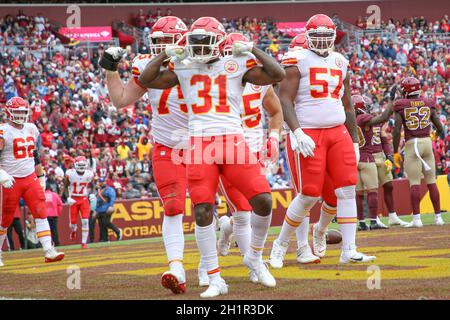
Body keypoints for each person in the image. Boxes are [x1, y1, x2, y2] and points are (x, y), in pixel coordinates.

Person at [138, 16, 285, 298]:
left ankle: (254, 256)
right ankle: (215, 278)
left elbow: (277, 74)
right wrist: (165, 54)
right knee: (203, 210)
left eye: (206, 42)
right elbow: (147, 80)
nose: (201, 48)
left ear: (219, 42)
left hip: (232, 141)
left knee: (263, 199)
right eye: (196, 42)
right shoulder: (183, 65)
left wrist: (252, 49)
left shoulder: (235, 64)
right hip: (198, 143)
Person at [269, 14, 375, 269]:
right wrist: (297, 132)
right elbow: (285, 100)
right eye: (316, 37)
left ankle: (349, 250)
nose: (322, 42)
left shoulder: (341, 61)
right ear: (307, 37)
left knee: (347, 188)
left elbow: (348, 105)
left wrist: (353, 141)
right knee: (308, 194)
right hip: (310, 131)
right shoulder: (297, 59)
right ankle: (280, 245)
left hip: (337, 130)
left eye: (326, 37)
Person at [99, 16, 190, 295]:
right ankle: (177, 267)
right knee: (173, 207)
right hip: (167, 146)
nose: (163, 46)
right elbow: (122, 100)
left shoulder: (199, 61)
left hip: (206, 143)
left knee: (211, 208)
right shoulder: (144, 65)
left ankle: (224, 263)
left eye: (167, 41)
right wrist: (110, 70)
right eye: (158, 42)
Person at [215, 33, 283, 266]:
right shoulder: (213, 82)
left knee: (258, 206)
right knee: (243, 212)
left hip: (255, 151)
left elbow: (275, 111)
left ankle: (226, 228)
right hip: (228, 150)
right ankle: (254, 263)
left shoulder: (258, 82)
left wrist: (274, 137)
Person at [0, 97, 64, 267]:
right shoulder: (3, 131)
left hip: (30, 178)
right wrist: (2, 175)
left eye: (23, 112)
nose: (20, 115)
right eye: (17, 112)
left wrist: (41, 176)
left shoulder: (31, 128)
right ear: (8, 112)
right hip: (10, 179)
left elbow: (35, 156)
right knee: (4, 219)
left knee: (41, 211)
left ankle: (49, 251)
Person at [393, 77, 445, 227]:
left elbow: (396, 131)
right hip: (427, 143)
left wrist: (396, 151)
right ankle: (438, 218)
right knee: (431, 181)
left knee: (414, 183)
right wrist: (434, 136)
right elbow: (439, 127)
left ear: (406, 90)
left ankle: (417, 219)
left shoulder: (401, 105)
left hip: (412, 144)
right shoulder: (428, 102)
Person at [64, 156, 94, 249]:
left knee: (85, 220)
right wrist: (67, 197)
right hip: (74, 199)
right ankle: (73, 230)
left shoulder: (89, 174)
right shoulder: (70, 174)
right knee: (72, 224)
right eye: (79, 165)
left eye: (82, 165)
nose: (81, 167)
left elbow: (92, 185)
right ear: (75, 165)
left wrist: (92, 193)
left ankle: (84, 243)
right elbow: (65, 187)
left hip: (84, 199)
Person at [95, 177, 122, 242]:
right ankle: (104, 239)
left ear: (105, 182)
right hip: (99, 209)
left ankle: (117, 231)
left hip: (106, 208)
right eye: (100, 182)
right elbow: (97, 200)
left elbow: (112, 197)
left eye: (103, 182)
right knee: (101, 224)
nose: (102, 183)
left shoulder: (109, 189)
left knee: (106, 222)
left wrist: (111, 206)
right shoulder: (98, 190)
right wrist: (96, 209)